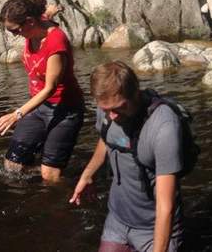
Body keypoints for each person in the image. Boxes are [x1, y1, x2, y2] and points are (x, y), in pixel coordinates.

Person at [70, 61, 184, 252]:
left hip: (153, 227)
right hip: (117, 221)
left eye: (119, 108)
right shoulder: (107, 107)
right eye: (106, 110)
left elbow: (166, 207)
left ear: (135, 94)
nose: (112, 116)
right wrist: (88, 173)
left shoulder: (164, 127)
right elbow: (107, 138)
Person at [0, 0, 84, 182]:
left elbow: (50, 88)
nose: (13, 35)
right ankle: (52, 165)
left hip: (64, 110)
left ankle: (75, 182)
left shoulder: (56, 42)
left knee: (49, 175)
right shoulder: (36, 24)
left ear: (29, 22)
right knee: (13, 165)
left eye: (15, 31)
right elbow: (45, 16)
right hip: (38, 108)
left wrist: (16, 115)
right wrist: (52, 10)